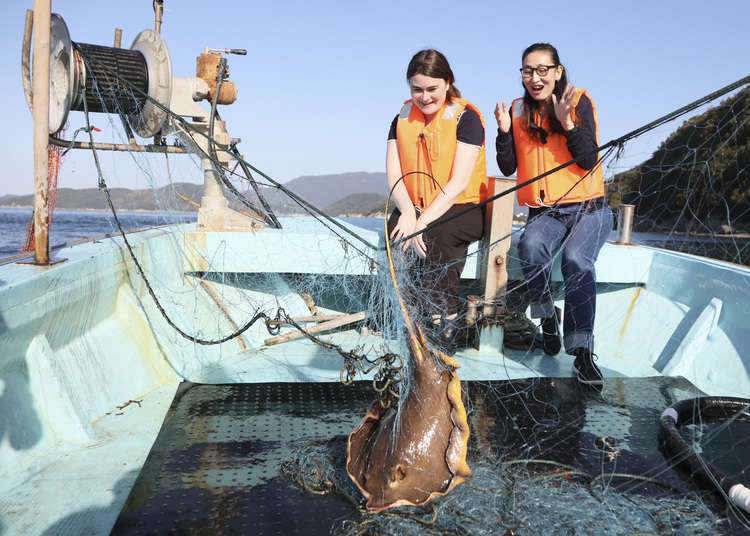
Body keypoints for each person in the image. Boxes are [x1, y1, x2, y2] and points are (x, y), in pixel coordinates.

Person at [495, 43, 613, 386]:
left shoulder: (578, 102)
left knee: (577, 259)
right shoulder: (517, 111)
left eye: (543, 69)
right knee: (530, 246)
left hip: (589, 207)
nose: (535, 77)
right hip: (545, 211)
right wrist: (503, 134)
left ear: (558, 71)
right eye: (528, 70)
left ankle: (583, 353)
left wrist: (568, 125)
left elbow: (589, 160)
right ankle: (547, 318)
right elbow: (508, 165)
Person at [386, 49, 488, 349]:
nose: (425, 97)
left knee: (437, 234)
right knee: (396, 231)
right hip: (414, 205)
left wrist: (421, 221)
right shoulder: (401, 118)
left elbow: (458, 183)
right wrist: (407, 212)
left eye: (432, 89)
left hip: (460, 207)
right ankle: (413, 313)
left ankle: (444, 319)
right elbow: (393, 174)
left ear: (447, 83)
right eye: (417, 89)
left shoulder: (466, 118)